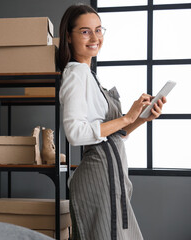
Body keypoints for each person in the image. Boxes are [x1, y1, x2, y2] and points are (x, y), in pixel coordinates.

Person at [58, 4, 166, 240]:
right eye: (85, 31)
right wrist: (126, 117)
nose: (95, 37)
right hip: (98, 177)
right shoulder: (76, 74)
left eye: (98, 30)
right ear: (68, 35)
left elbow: (115, 134)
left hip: (111, 176)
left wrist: (141, 118)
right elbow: (75, 133)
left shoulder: (89, 75)